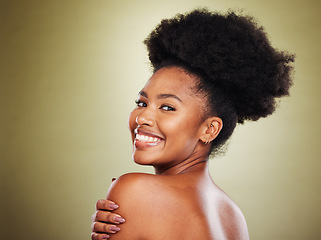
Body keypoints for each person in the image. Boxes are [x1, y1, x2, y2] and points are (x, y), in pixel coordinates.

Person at [91, 8, 294, 240]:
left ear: (209, 129)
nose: (143, 117)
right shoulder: (233, 216)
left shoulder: (135, 190)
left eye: (167, 107)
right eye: (142, 102)